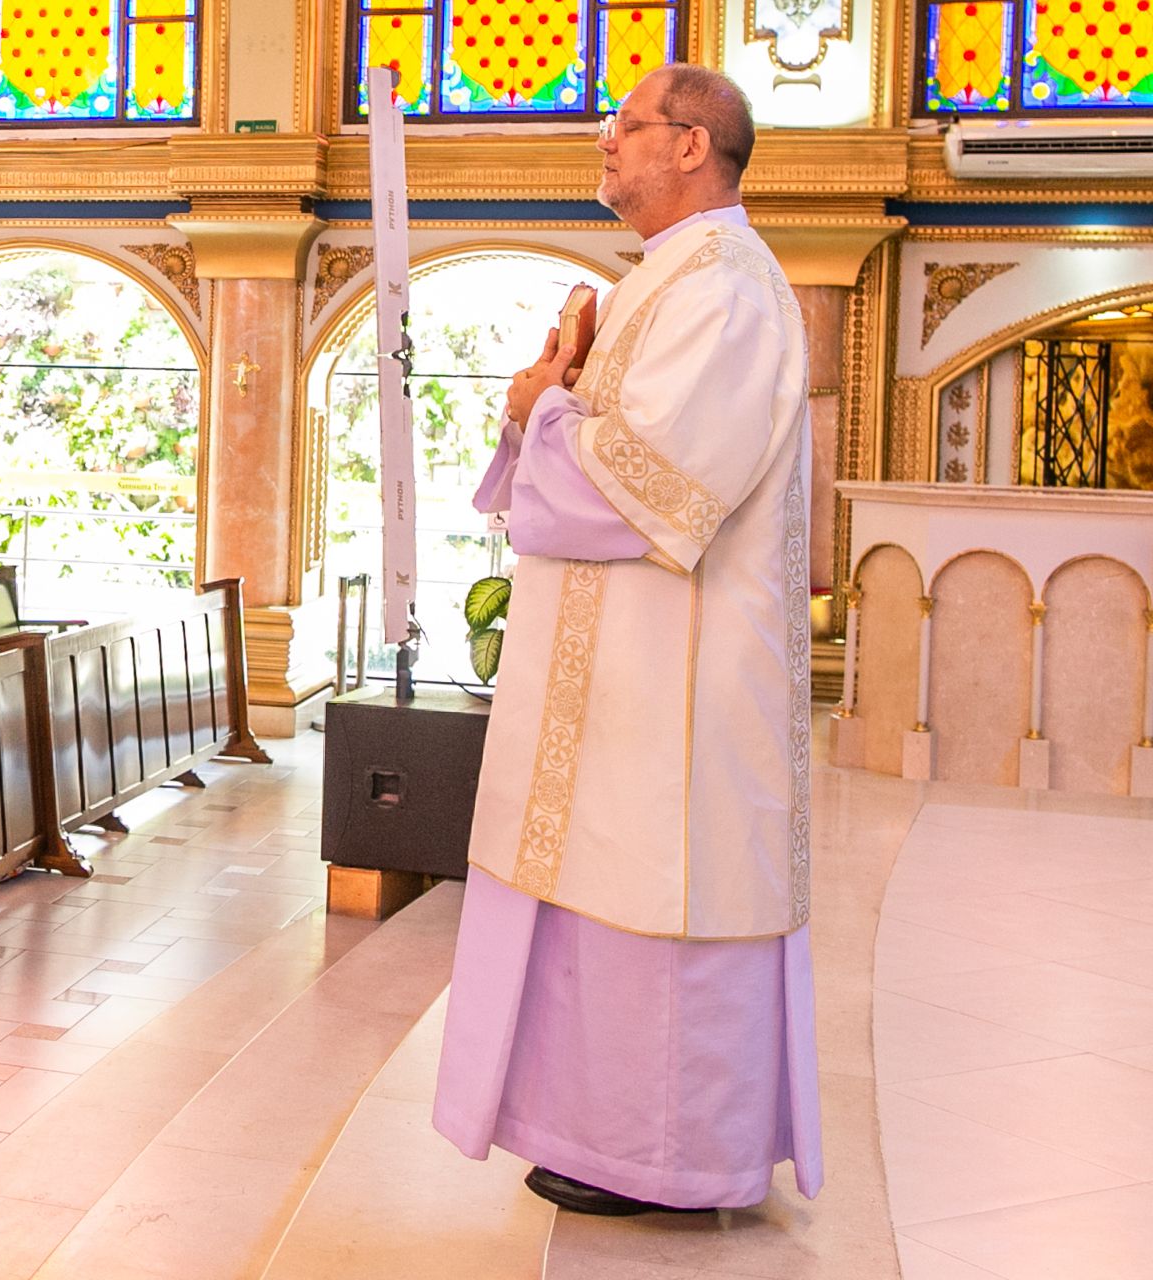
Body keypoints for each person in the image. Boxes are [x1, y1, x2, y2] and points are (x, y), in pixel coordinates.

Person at [434, 64, 822, 1217]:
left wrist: (538, 406)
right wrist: (552, 392)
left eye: (628, 124)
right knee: (605, 898)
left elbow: (660, 486)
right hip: (625, 681)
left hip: (683, 688)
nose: (604, 141)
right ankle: (606, 1139)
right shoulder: (665, 279)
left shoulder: (727, 292)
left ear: (693, 145)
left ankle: (672, 1160)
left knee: (666, 893)